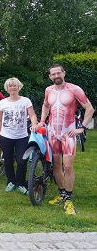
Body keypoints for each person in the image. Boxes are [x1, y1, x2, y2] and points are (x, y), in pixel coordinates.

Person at [39, 64, 94, 215]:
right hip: (53, 133)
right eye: (53, 74)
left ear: (64, 73)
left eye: (59, 73)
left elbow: (89, 109)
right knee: (56, 165)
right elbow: (45, 106)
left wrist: (82, 127)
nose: (56, 76)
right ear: (50, 76)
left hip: (68, 133)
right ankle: (61, 193)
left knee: (67, 166)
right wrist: (42, 120)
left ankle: (68, 199)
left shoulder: (74, 89)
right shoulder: (48, 90)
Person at [0, 78, 38, 195]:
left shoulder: (26, 101)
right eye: (10, 86)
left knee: (22, 161)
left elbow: (32, 114)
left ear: (19, 87)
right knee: (8, 161)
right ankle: (11, 182)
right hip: (6, 136)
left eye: (15, 86)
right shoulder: (3, 102)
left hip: (22, 137)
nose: (13, 88)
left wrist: (34, 124)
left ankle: (20, 183)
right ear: (7, 88)